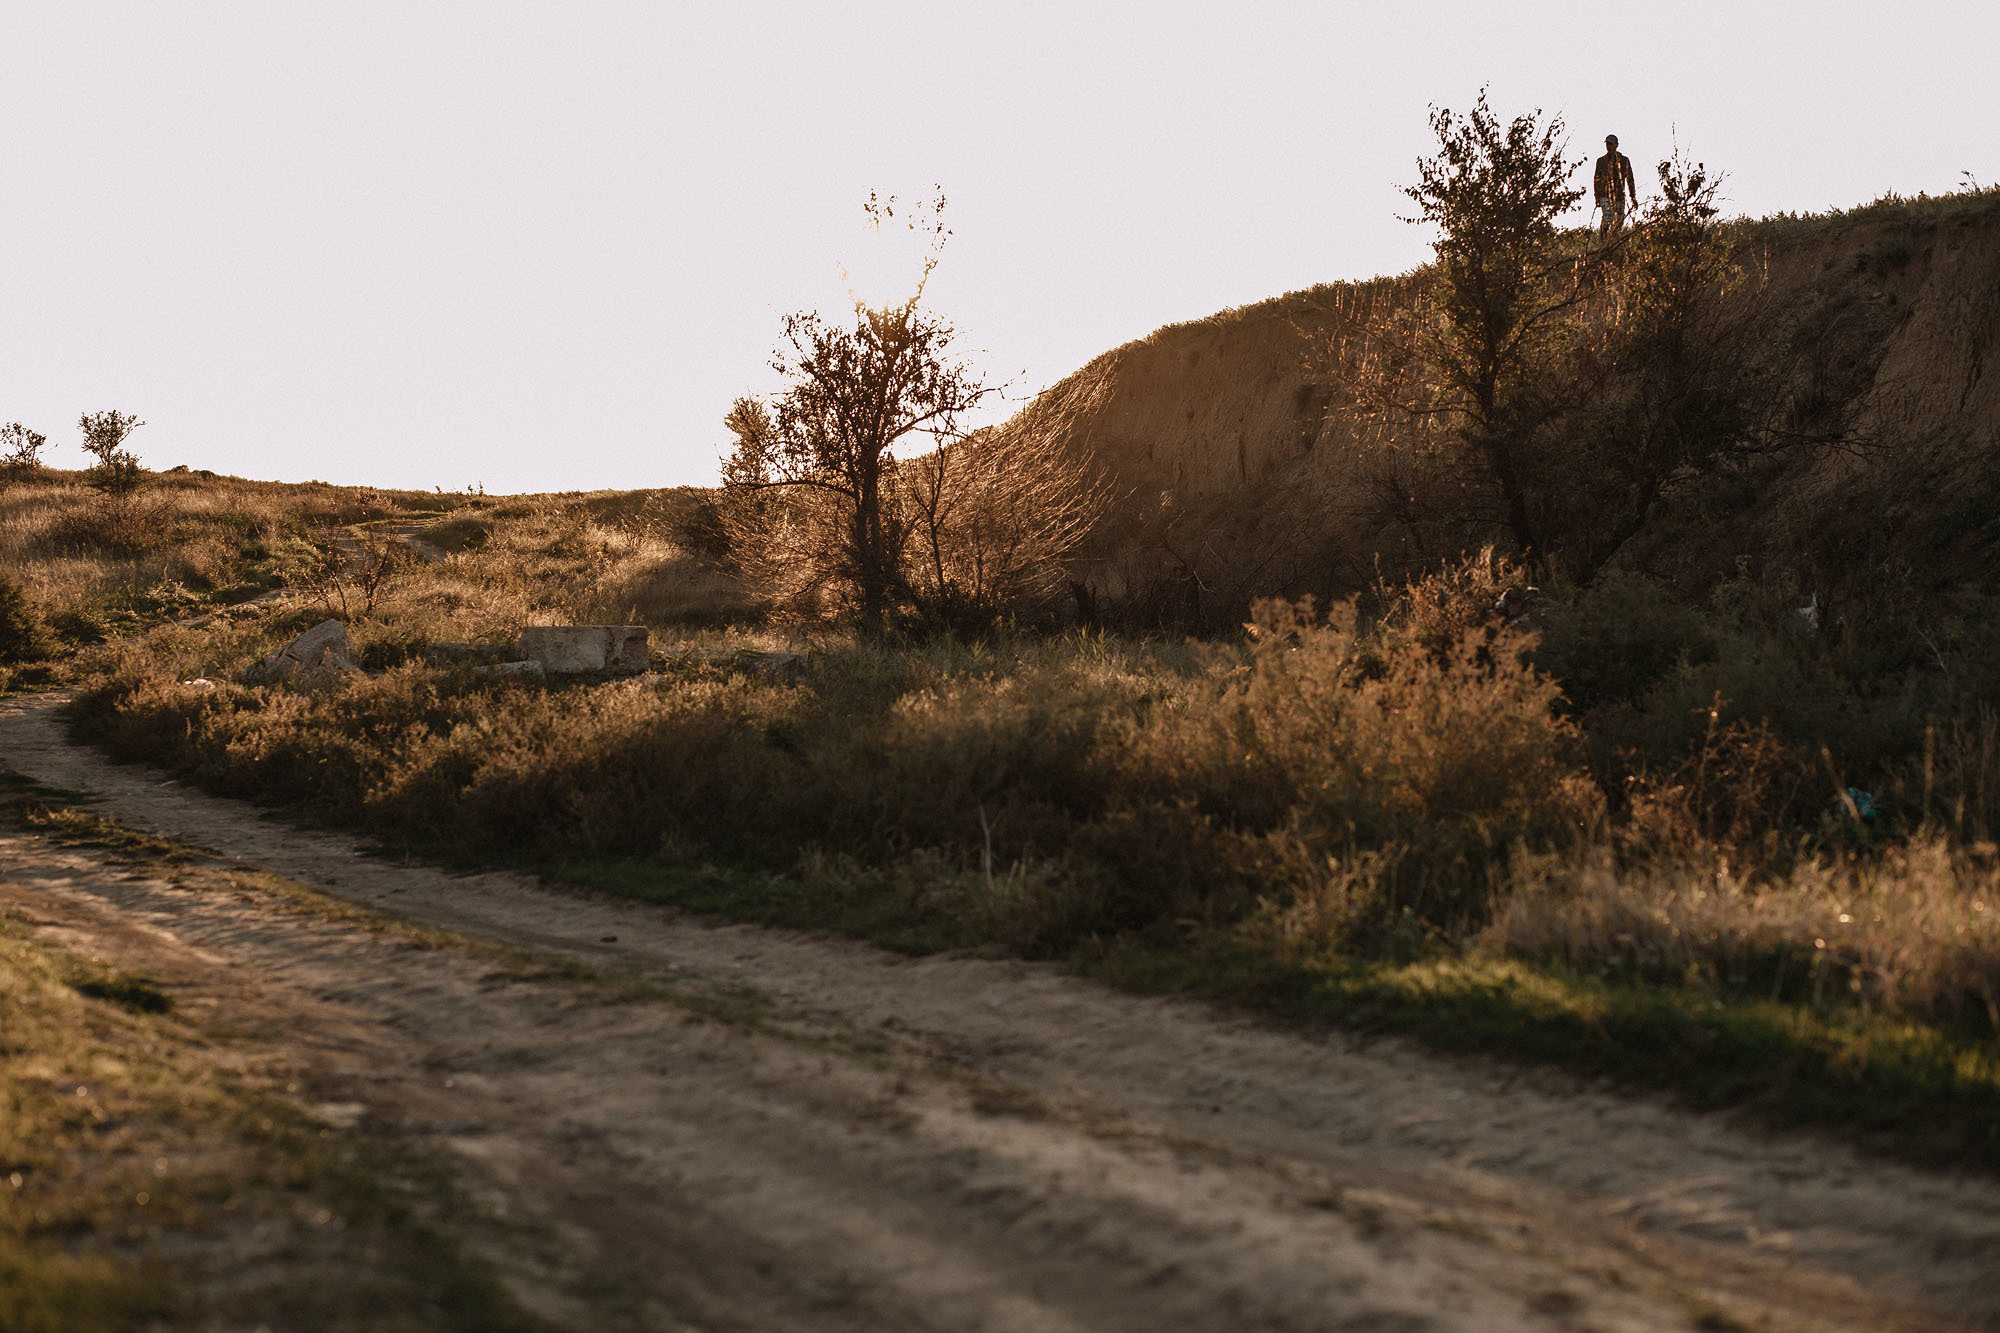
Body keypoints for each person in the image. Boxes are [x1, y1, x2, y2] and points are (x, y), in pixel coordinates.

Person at [1594, 134, 1638, 236]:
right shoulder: (1601, 161)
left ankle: (1614, 243)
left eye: (1611, 144)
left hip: (1619, 196)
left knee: (1619, 222)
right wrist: (1597, 197)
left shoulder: (1624, 161)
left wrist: (1633, 197)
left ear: (1616, 145)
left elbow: (1630, 179)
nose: (1608, 146)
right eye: (1607, 144)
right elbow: (1597, 180)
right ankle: (1603, 239)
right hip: (1605, 195)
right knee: (1608, 217)